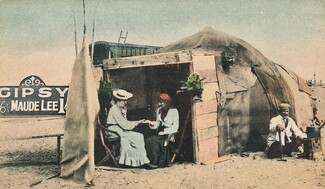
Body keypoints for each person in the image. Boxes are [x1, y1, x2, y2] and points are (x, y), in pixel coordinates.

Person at [106, 89, 156, 169]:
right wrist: (137, 123)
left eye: (125, 100)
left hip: (120, 130)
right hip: (113, 131)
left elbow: (124, 123)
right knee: (134, 137)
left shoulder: (120, 109)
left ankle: (142, 161)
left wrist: (138, 122)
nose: (125, 102)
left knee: (139, 136)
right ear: (118, 100)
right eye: (124, 100)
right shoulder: (114, 109)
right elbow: (125, 125)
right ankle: (140, 162)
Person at [144, 93, 179, 168]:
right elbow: (157, 123)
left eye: (162, 102)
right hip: (159, 132)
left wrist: (164, 132)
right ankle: (151, 162)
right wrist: (150, 123)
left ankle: (157, 162)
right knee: (148, 139)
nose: (160, 104)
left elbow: (175, 127)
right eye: (159, 102)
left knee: (153, 140)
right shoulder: (159, 110)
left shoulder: (174, 111)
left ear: (167, 101)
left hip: (169, 133)